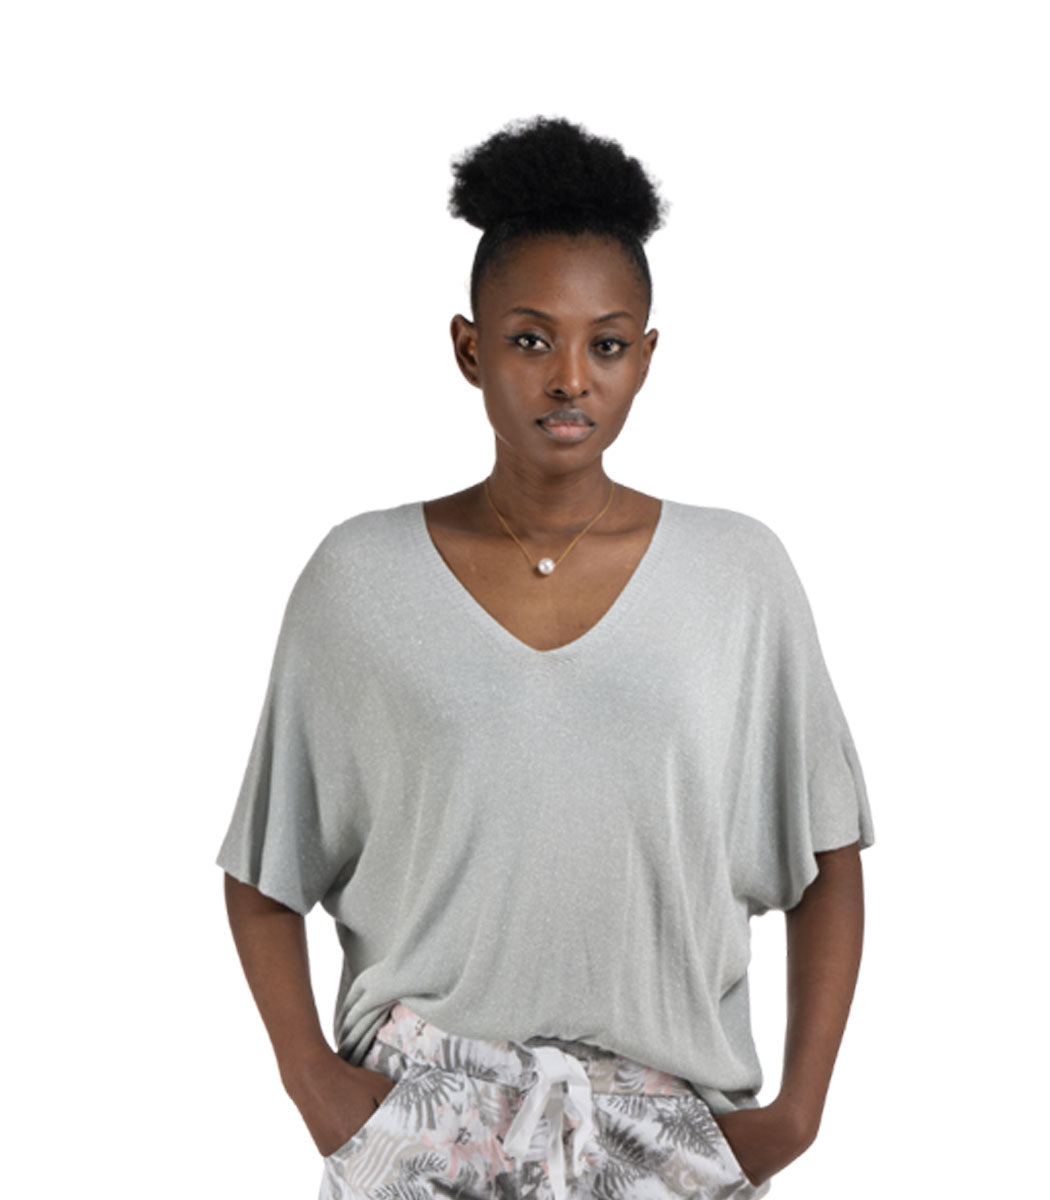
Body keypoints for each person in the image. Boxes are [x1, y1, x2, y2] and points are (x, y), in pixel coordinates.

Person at [217, 116, 874, 1200]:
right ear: (469, 347)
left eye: (605, 345)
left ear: (645, 357)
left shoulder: (738, 575)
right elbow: (264, 869)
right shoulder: (359, 578)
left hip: (669, 1127)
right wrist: (316, 1087)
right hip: (422, 1115)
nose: (571, 378)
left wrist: (796, 1117)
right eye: (531, 341)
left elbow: (826, 854)